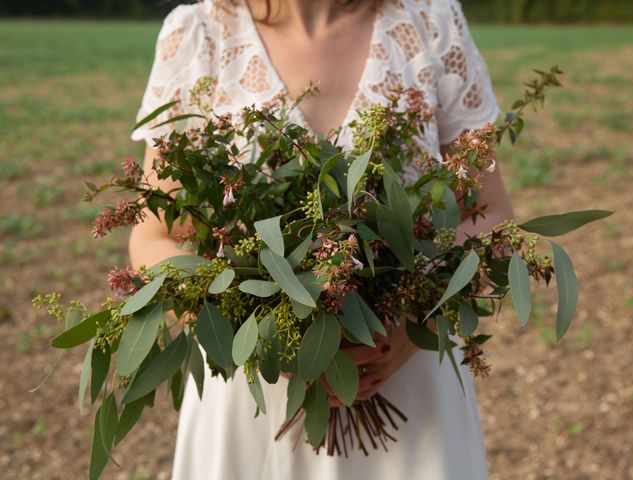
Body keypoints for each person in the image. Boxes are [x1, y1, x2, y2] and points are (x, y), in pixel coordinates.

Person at [129, 0, 514, 478]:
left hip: (413, 390)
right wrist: (258, 337)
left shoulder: (430, 21)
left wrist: (417, 322)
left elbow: (490, 212)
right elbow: (155, 238)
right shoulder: (196, 33)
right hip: (255, 403)